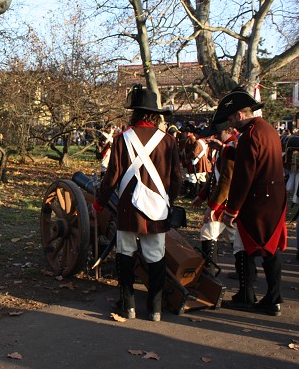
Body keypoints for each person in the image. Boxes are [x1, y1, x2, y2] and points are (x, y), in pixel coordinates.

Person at [92, 84, 181, 322]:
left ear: (135, 113)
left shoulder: (122, 139)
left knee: (126, 253)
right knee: (156, 257)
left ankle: (128, 306)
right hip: (157, 209)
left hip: (128, 208)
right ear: (155, 114)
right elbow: (176, 180)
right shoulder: (169, 141)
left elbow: (111, 177)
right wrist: (168, 201)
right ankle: (155, 309)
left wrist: (99, 203)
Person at [214, 88, 287, 316]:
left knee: (244, 247)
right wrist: (229, 153)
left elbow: (244, 176)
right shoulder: (268, 130)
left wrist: (231, 209)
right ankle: (273, 297)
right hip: (274, 198)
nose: (231, 125)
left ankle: (247, 296)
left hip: (257, 201)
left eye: (231, 119)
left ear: (239, 115)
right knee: (270, 249)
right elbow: (259, 159)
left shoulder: (250, 135)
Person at [191, 121, 238, 276]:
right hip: (222, 201)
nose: (215, 137)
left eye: (219, 133)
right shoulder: (223, 148)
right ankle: (244, 271)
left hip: (224, 203)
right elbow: (215, 178)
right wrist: (201, 196)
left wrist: (212, 207)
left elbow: (226, 181)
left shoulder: (231, 148)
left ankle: (210, 272)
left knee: (208, 233)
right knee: (234, 239)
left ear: (229, 130)